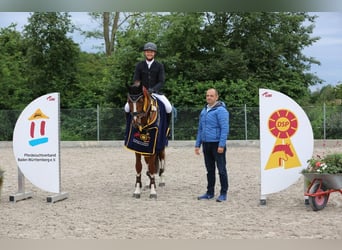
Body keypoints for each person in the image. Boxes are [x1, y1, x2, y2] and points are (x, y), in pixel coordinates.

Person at [125, 42, 172, 130]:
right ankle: (128, 128)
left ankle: (167, 129)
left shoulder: (159, 66)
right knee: (127, 107)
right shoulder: (139, 65)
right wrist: (141, 89)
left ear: (154, 53)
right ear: (144, 53)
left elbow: (161, 81)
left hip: (155, 93)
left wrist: (153, 89)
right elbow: (136, 80)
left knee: (168, 107)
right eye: (147, 52)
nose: (149, 53)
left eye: (151, 52)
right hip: (141, 94)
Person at [195, 88, 229, 202]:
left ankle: (223, 193)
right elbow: (200, 128)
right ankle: (210, 192)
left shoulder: (221, 110)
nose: (209, 97)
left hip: (217, 144)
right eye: (207, 95)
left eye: (211, 95)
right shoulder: (204, 110)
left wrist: (221, 145)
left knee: (221, 169)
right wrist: (197, 144)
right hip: (206, 144)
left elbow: (224, 128)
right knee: (209, 170)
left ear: (216, 97)